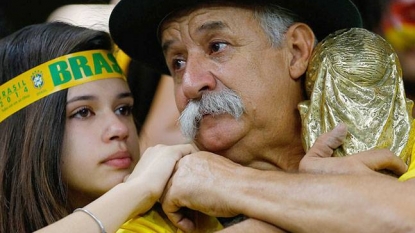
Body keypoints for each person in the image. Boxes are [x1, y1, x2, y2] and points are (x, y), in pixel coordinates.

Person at [109, 0, 415, 232]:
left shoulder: (404, 145)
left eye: (216, 47)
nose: (190, 83)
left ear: (295, 51)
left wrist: (229, 185)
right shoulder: (162, 216)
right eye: (177, 62)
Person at [0, 21, 221, 232]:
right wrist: (135, 191)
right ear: (26, 135)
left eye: (123, 109)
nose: (120, 129)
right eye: (83, 112)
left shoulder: (184, 221)